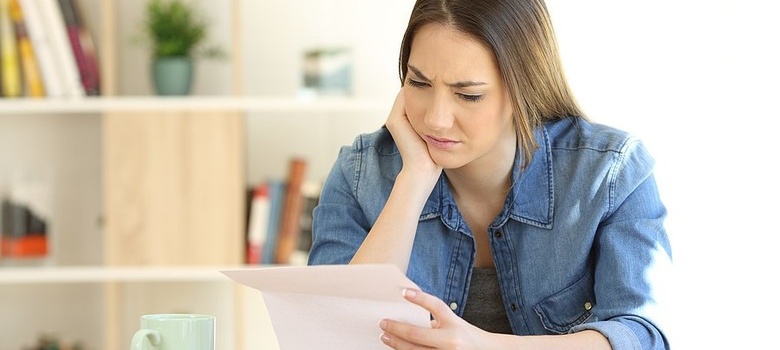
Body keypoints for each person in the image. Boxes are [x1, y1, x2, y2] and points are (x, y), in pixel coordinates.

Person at [307, 0, 672, 349]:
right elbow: (334, 337)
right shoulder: (359, 173)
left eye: (467, 95)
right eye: (419, 84)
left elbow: (643, 335)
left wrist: (485, 345)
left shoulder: (610, 172)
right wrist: (414, 178)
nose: (436, 119)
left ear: (524, 87)